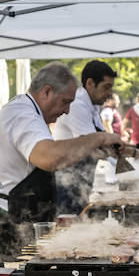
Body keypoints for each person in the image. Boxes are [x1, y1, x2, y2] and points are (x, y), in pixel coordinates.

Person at [0, 63, 123, 267]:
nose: (68, 111)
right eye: (65, 102)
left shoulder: (29, 112)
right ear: (47, 91)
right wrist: (98, 138)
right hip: (1, 222)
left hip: (17, 217)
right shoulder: (22, 114)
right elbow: (49, 157)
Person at [54, 60, 119, 213]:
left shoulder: (93, 104)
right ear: (90, 83)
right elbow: (93, 146)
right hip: (68, 178)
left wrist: (137, 149)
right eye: (106, 87)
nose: (110, 93)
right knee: (69, 224)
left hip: (82, 176)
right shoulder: (77, 105)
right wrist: (121, 164)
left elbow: (103, 137)